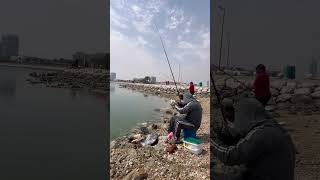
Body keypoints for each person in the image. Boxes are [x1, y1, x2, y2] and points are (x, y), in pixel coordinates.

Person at [212, 97, 296, 180]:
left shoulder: (261, 133)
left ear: (245, 115)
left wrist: (211, 141)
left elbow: (230, 156)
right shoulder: (273, 128)